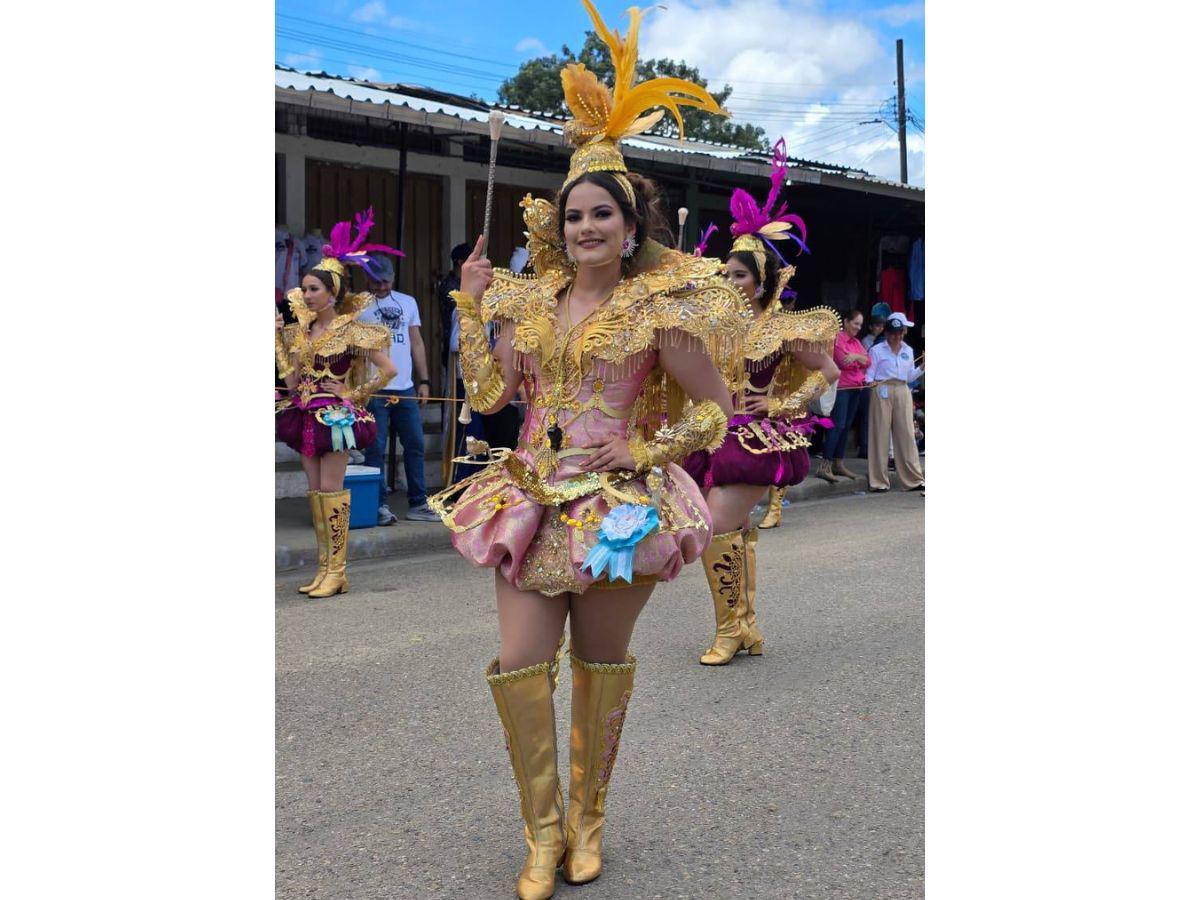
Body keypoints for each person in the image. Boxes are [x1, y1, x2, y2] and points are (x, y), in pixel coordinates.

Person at [428, 5, 743, 895]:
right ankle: (540, 833)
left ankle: (589, 823)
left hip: (620, 510)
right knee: (523, 670)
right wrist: (472, 308)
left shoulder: (658, 313)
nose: (586, 229)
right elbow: (489, 401)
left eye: (601, 214)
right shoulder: (526, 305)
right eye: (573, 217)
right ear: (558, 227)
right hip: (529, 499)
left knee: (600, 673)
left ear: (630, 224)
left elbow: (713, 417)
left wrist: (641, 450)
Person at [683, 137, 841, 665]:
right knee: (736, 530)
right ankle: (744, 625)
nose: (729, 281)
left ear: (760, 281)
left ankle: (730, 629)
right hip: (715, 436)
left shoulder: (778, 329)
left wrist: (786, 404)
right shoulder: (712, 329)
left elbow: (829, 371)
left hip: (755, 438)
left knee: (714, 525)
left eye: (739, 274)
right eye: (725, 273)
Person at [275, 209, 401, 597]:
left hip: (336, 418)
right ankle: (324, 569)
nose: (307, 295)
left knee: (331, 491)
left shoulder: (352, 330)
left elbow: (389, 371)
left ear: (333, 293)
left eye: (314, 289)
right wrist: (278, 343)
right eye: (305, 289)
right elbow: (293, 381)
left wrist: (353, 394)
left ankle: (339, 571)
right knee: (315, 493)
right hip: (305, 414)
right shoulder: (302, 332)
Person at [357, 255, 440, 524]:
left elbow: (416, 343)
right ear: (367, 279)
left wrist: (424, 380)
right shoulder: (359, 305)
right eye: (376, 281)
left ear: (393, 278)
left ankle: (418, 502)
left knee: (415, 444)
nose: (381, 287)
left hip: (404, 387)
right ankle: (378, 504)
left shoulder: (408, 302)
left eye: (386, 281)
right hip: (375, 388)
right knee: (375, 448)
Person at [865, 312, 925, 492]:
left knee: (906, 434)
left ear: (903, 332)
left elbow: (909, 376)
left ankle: (913, 479)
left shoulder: (908, 350)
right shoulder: (876, 350)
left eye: (899, 333)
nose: (895, 336)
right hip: (882, 389)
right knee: (879, 434)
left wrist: (922, 367)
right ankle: (878, 481)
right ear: (886, 333)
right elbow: (869, 375)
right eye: (892, 333)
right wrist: (870, 384)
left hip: (902, 390)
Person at [822, 309, 870, 480]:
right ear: (846, 321)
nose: (858, 327)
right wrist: (860, 360)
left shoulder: (856, 342)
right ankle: (825, 464)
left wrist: (856, 357)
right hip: (842, 389)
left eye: (860, 324)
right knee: (838, 425)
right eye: (856, 323)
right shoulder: (837, 338)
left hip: (855, 388)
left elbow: (868, 361)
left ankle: (838, 463)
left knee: (846, 425)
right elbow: (843, 361)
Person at [437, 242, 473, 369]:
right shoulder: (449, 286)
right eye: (472, 260)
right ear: (461, 263)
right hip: (455, 347)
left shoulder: (466, 283)